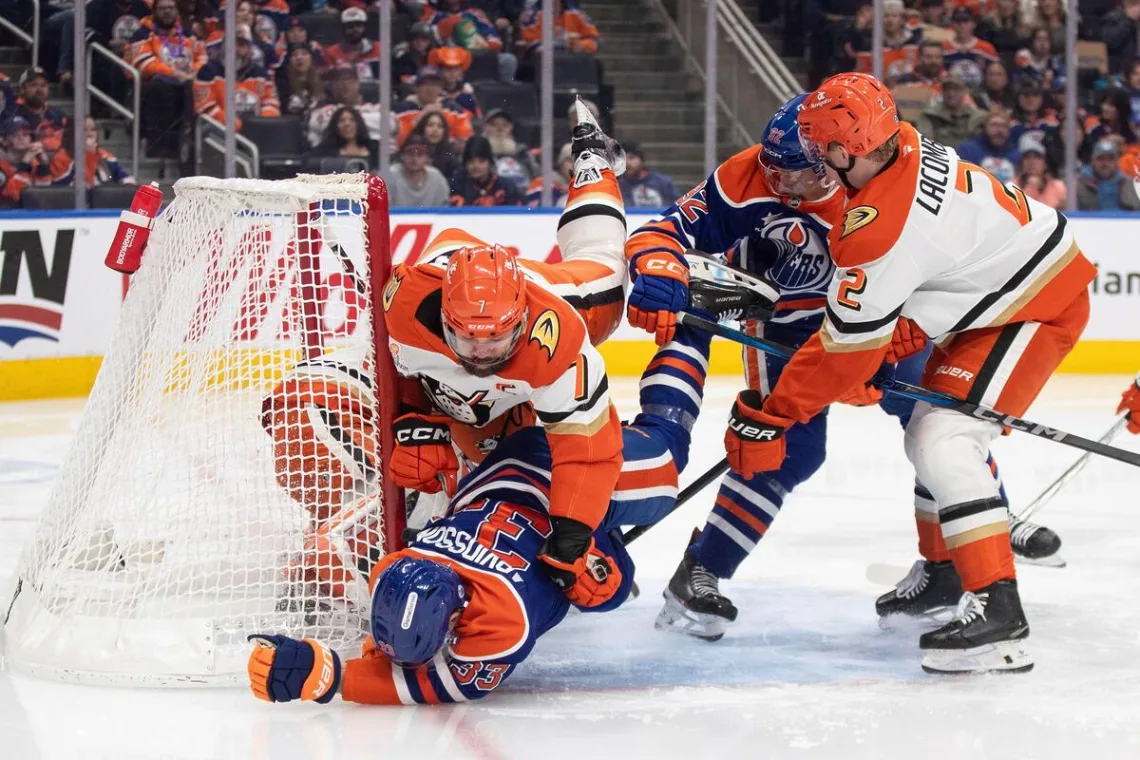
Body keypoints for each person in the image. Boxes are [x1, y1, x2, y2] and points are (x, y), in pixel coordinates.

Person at [626, 94, 1064, 643]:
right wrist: (658, 264)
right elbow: (661, 231)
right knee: (785, 452)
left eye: (800, 173)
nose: (784, 185)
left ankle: (977, 527)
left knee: (937, 423)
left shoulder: (878, 188)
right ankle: (700, 572)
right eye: (775, 170)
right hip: (784, 335)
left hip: (880, 324)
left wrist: (879, 347)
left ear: (834, 158)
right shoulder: (745, 177)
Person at [728, 73, 1095, 674]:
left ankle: (1000, 614)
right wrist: (900, 331)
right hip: (997, 289)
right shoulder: (903, 142)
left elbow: (843, 350)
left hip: (1035, 304)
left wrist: (774, 413)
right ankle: (946, 573)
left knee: (944, 440)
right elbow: (933, 263)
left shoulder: (878, 225)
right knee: (924, 431)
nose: (816, 162)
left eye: (821, 149)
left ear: (847, 149)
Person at [246, 314, 722, 705]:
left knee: (663, 457)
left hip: (551, 478)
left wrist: (326, 676)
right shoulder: (397, 567)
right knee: (600, 583)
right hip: (497, 473)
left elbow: (428, 686)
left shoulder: (501, 621)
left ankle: (694, 324)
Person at [377, 107, 632, 612]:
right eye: (466, 339)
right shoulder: (403, 305)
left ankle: (593, 161)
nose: (479, 354)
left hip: (568, 295)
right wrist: (418, 422)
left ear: (520, 324)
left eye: (496, 341)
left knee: (604, 263)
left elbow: (587, 450)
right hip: (456, 271)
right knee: (463, 445)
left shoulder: (556, 339)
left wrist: (572, 535)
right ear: (444, 320)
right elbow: (397, 369)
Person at [128, 0, 206, 159]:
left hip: (187, 81)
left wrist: (195, 71)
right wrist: (175, 73)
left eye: (170, 8)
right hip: (155, 85)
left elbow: (203, 57)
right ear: (154, 11)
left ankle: (189, 142)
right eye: (162, 8)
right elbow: (145, 64)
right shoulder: (142, 34)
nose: (167, 12)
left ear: (177, 11)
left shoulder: (189, 34)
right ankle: (159, 147)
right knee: (160, 88)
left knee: (197, 88)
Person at [193, 24, 280, 130]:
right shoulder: (207, 72)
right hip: (218, 132)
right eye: (231, 43)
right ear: (224, 46)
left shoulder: (261, 74)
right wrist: (234, 125)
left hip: (256, 133)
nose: (235, 49)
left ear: (249, 48)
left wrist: (259, 124)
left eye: (241, 44)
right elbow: (204, 107)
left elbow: (272, 105)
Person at [426, 0, 517, 82]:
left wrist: (487, 46)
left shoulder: (475, 13)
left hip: (480, 54)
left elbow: (493, 37)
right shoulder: (435, 15)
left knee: (508, 60)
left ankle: (504, 91)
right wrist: (442, 30)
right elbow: (427, 40)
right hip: (450, 58)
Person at [307, 66, 391, 149]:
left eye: (348, 79)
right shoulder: (325, 108)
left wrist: (343, 120)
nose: (343, 84)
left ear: (357, 83)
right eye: (338, 80)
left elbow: (390, 124)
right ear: (332, 86)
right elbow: (318, 124)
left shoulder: (377, 106)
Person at [394, 66, 475, 147]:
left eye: (435, 84)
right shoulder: (401, 110)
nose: (431, 89)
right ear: (416, 88)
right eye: (426, 84)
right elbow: (398, 143)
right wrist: (422, 118)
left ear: (441, 88)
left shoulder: (453, 109)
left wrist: (442, 121)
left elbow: (467, 141)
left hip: (446, 153)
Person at [914, 76, 986, 148]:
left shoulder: (977, 116)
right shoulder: (930, 115)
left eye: (956, 89)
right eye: (946, 89)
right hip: (941, 153)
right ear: (942, 92)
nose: (950, 94)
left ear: (964, 92)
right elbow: (926, 144)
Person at [448, 134, 520, 206]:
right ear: (465, 164)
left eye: (481, 161)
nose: (476, 166)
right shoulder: (454, 187)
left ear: (490, 163)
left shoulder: (506, 187)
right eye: (471, 161)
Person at [386, 132, 452, 207]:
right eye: (410, 154)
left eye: (420, 155)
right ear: (402, 155)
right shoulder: (390, 175)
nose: (415, 159)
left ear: (427, 158)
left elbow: (444, 209)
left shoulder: (437, 178)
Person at [956, 108, 1020, 183]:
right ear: (985, 127)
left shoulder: (1017, 155)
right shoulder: (967, 150)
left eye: (1004, 126)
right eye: (994, 125)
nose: (1000, 130)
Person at [482, 108, 537, 194]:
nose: (500, 129)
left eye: (505, 125)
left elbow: (536, 175)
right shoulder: (479, 153)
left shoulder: (522, 152)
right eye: (494, 125)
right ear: (485, 128)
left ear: (510, 128)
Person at [942, 7, 999, 90]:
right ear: (952, 24)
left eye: (966, 22)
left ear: (973, 24)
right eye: (957, 22)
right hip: (951, 92)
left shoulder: (986, 48)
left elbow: (996, 72)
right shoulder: (944, 48)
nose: (962, 26)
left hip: (980, 92)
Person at [518, 0, 600, 57]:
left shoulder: (576, 14)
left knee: (596, 66)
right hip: (541, 63)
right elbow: (530, 44)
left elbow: (593, 41)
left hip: (573, 60)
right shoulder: (532, 15)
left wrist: (582, 45)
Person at [1077, 138, 1140, 211]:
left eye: (1110, 159)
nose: (1105, 163)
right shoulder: (1079, 185)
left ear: (1117, 161)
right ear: (1092, 160)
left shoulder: (1130, 185)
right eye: (1100, 159)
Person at [323, 7, 382, 80]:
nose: (355, 29)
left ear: (365, 27)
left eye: (359, 25)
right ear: (343, 29)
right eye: (350, 26)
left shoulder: (379, 48)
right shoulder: (331, 53)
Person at [1081, 89, 1138, 162]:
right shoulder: (1095, 131)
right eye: (1103, 103)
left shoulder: (1130, 133)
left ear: (1121, 108)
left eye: (1110, 105)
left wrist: (1124, 148)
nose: (1104, 108)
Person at [618, 141, 677, 208]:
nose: (627, 163)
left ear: (641, 160)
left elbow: (675, 207)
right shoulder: (618, 185)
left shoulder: (664, 182)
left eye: (631, 158)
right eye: (623, 159)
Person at [313, 105, 378, 164]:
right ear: (335, 126)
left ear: (359, 124)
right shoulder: (325, 150)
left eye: (352, 120)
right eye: (342, 120)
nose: (347, 124)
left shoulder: (375, 147)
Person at [1015, 134, 1065, 210]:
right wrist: (1031, 188)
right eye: (1027, 157)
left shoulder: (1058, 186)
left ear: (1045, 163)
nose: (1032, 162)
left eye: (1037, 157)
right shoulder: (1012, 185)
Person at [431, 46, 481, 119]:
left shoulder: (468, 93)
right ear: (440, 71)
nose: (452, 73)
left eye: (456, 69)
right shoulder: (433, 91)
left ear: (461, 72)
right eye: (448, 69)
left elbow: (477, 117)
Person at [11, 68, 67, 133]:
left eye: (43, 85)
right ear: (22, 89)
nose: (39, 90)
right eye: (34, 85)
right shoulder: (13, 114)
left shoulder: (57, 114)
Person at [277, 43, 324, 117]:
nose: (299, 57)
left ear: (311, 58)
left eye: (304, 54)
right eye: (294, 55)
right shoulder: (283, 83)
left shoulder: (322, 81)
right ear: (289, 61)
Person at [411, 110, 461, 179]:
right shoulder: (412, 150)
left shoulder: (451, 153)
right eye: (430, 125)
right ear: (422, 128)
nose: (435, 129)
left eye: (440, 126)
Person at [1013, 26, 1063, 90]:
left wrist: (1052, 80)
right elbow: (1022, 75)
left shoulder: (1054, 59)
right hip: (1026, 91)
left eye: (1046, 39)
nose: (1042, 43)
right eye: (1039, 39)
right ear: (1032, 41)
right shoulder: (1022, 55)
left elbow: (1064, 78)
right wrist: (1043, 78)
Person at [524, 141, 572, 206]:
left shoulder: (583, 189)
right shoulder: (542, 183)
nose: (574, 165)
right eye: (570, 160)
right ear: (561, 163)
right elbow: (532, 209)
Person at [393, 23, 436, 93]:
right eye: (416, 38)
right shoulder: (403, 59)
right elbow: (404, 82)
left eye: (424, 39)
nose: (419, 42)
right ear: (410, 40)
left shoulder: (434, 57)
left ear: (430, 41)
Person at [1102, 0, 1140, 75]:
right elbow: (1111, 42)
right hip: (1121, 71)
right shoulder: (1113, 17)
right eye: (1134, 3)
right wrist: (1129, 20)